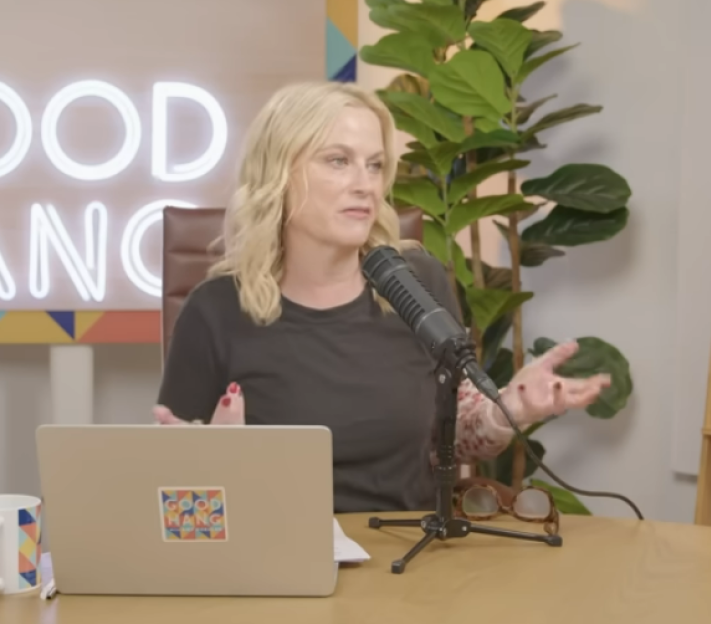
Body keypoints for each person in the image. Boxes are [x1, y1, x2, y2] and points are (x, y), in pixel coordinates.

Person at [153, 81, 611, 514]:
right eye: (338, 161)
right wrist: (210, 466)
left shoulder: (417, 283)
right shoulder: (214, 311)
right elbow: (174, 498)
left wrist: (509, 408)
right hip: (279, 564)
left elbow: (458, 435)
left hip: (406, 562)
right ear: (278, 173)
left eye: (374, 165)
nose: (365, 184)